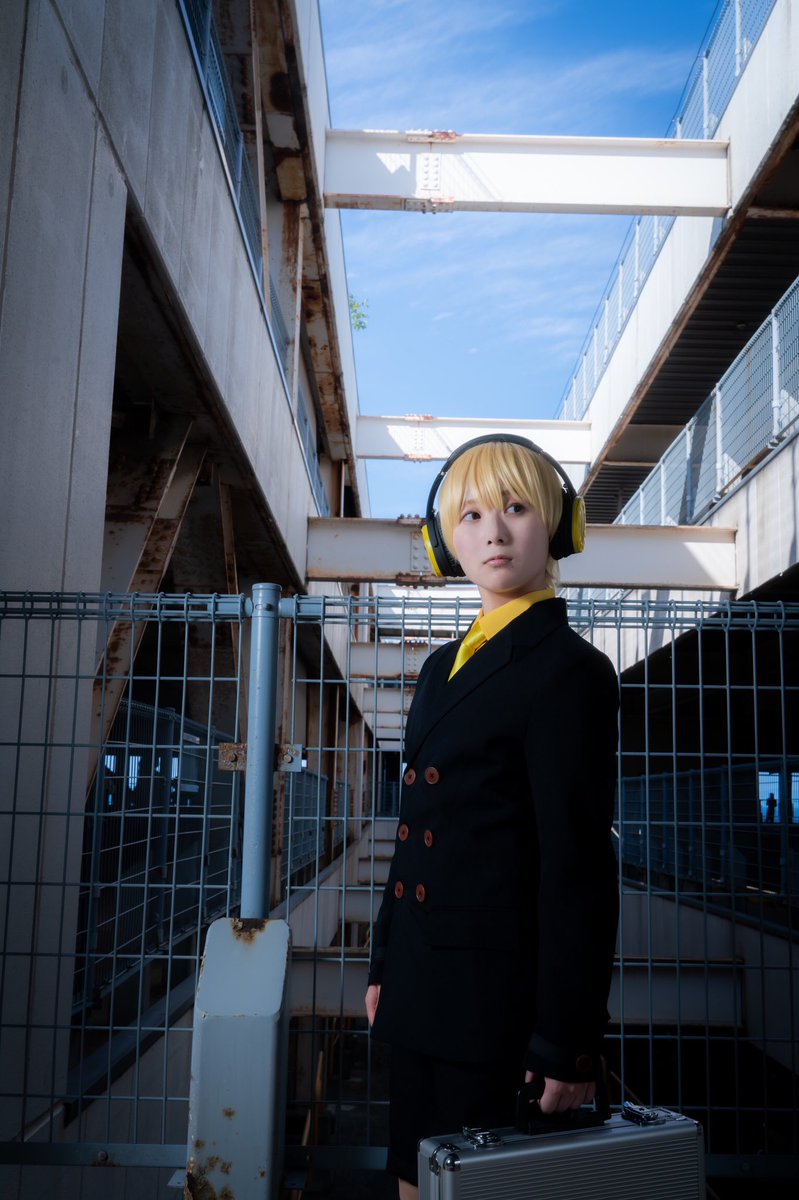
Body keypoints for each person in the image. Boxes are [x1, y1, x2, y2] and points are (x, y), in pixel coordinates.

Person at [364, 436, 620, 1198]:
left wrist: (567, 1041)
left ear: (559, 527)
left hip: (497, 1009)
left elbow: (576, 867)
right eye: (470, 515)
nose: (493, 533)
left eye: (515, 508)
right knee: (413, 1181)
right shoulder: (438, 667)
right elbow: (415, 829)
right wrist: (383, 964)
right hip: (419, 987)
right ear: (444, 540)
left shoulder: (571, 670)